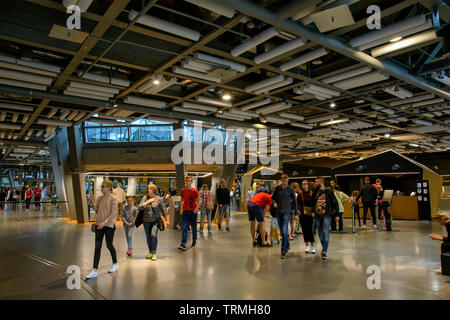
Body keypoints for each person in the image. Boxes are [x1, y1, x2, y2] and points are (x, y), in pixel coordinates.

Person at [86, 180, 119, 279]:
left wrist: (104, 222)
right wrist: (92, 201)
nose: (101, 188)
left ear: (109, 187)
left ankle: (115, 263)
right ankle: (94, 270)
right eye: (101, 186)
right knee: (97, 247)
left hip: (108, 226)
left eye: (103, 186)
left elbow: (113, 213)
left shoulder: (113, 198)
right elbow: (96, 210)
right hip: (99, 225)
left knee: (109, 245)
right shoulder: (100, 198)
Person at [272, 174, 298, 259]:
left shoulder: (290, 189)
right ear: (281, 180)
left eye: (286, 181)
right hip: (278, 211)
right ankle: (287, 244)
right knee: (282, 231)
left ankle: (283, 251)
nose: (285, 182)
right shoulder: (277, 189)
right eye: (283, 181)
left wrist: (296, 213)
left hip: (287, 212)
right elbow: (272, 198)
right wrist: (274, 203)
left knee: (284, 231)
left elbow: (294, 201)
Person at [312, 177, 339, 260]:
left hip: (326, 215)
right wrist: (313, 211)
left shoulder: (328, 191)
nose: (315, 183)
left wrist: (337, 214)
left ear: (321, 182)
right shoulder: (315, 192)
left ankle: (325, 251)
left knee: (325, 231)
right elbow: (313, 202)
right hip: (317, 215)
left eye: (316, 182)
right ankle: (324, 248)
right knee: (320, 233)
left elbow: (335, 202)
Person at [140, 184, 167, 260]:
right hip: (146, 221)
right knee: (148, 237)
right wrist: (149, 201)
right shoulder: (145, 198)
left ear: (154, 191)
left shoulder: (159, 199)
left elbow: (163, 210)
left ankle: (154, 253)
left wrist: (167, 220)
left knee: (153, 235)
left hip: (155, 221)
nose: (148, 190)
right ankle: (150, 252)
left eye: (150, 189)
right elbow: (140, 207)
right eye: (148, 189)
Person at [178, 176, 201, 251]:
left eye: (189, 181)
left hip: (193, 212)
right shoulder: (183, 190)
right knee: (184, 227)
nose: (188, 182)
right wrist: (181, 208)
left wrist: (196, 209)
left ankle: (194, 241)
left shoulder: (194, 191)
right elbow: (181, 200)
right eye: (187, 181)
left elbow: (199, 201)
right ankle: (183, 244)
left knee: (194, 227)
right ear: (185, 182)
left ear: (191, 182)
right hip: (186, 211)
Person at [298, 180, 316, 254]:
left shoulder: (312, 194)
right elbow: (297, 203)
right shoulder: (300, 194)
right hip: (302, 214)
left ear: (308, 185)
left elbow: (315, 204)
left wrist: (314, 212)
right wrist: (297, 210)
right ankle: (307, 245)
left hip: (310, 214)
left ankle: (313, 246)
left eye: (305, 184)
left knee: (310, 229)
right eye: (302, 184)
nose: (304, 185)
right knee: (304, 230)